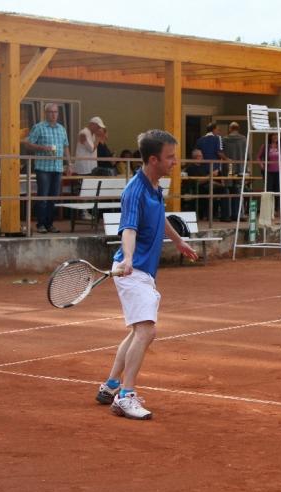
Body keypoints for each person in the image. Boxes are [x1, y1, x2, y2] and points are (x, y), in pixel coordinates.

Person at [95, 129, 198, 420]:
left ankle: (111, 385)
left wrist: (178, 241)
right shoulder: (135, 190)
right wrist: (128, 258)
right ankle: (125, 396)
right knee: (146, 331)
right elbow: (128, 229)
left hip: (143, 271)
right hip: (133, 270)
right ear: (154, 160)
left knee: (136, 331)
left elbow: (159, 217)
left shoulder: (155, 186)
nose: (175, 162)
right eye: (170, 157)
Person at [22, 103, 71, 233]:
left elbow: (66, 146)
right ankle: (41, 224)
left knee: (53, 197)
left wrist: (69, 164)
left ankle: (50, 224)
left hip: (58, 167)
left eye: (55, 112)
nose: (53, 115)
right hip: (43, 167)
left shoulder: (62, 129)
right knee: (43, 197)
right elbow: (28, 144)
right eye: (51, 112)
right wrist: (42, 148)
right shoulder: (39, 127)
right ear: (46, 113)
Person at [195, 123, 233, 221]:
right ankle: (225, 216)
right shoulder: (217, 138)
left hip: (203, 171)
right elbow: (219, 152)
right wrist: (227, 160)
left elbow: (198, 153)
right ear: (214, 130)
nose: (219, 132)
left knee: (207, 193)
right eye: (218, 130)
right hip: (215, 170)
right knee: (223, 191)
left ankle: (206, 214)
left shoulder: (200, 140)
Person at [73, 116, 106, 218]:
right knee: (84, 190)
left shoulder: (92, 134)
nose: (99, 129)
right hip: (84, 167)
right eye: (98, 127)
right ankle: (83, 212)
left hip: (90, 166)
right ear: (92, 124)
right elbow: (91, 149)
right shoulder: (84, 133)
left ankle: (85, 210)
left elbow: (102, 143)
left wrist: (100, 137)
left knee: (89, 189)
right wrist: (98, 138)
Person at [223, 121, 247, 218]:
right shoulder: (244, 139)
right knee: (238, 189)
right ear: (238, 129)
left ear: (230, 129)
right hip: (240, 167)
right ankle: (238, 214)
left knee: (228, 189)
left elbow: (222, 153)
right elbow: (247, 154)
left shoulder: (225, 139)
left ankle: (228, 214)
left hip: (229, 167)